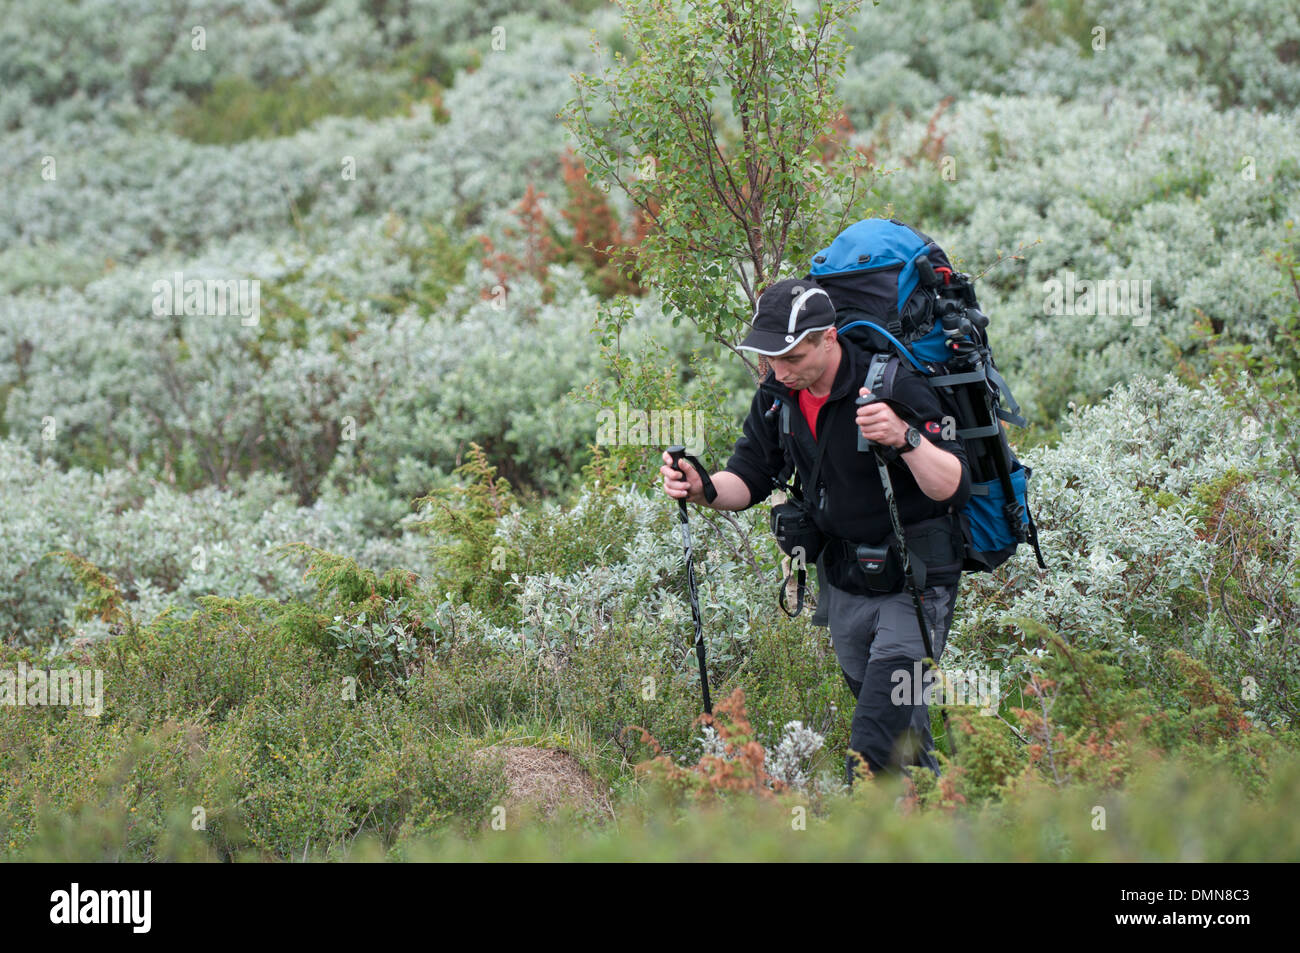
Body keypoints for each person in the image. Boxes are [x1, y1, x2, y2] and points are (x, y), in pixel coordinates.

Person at [660, 277, 971, 783]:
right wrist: (703, 487)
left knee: (872, 742)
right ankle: (936, 825)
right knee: (901, 739)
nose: (780, 371)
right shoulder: (779, 395)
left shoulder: (893, 385)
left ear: (829, 338)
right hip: (844, 582)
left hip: (915, 582)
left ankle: (856, 834)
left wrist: (905, 436)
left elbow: (953, 485)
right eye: (771, 359)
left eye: (791, 358)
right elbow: (750, 475)